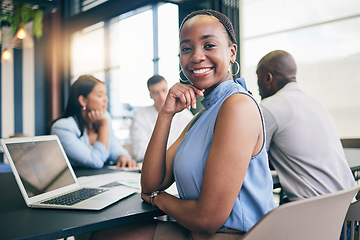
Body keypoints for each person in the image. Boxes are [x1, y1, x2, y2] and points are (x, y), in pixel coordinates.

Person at [90, 9, 275, 239]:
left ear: (231, 52)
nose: (196, 56)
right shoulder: (202, 116)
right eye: (186, 49)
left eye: (209, 45)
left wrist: (160, 199)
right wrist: (166, 114)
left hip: (234, 236)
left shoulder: (237, 106)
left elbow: (207, 219)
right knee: (99, 234)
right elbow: (150, 184)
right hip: (197, 233)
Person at [256, 50, 356, 203]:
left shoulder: (269, 106)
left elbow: (253, 157)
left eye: (258, 78)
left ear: (268, 78)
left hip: (317, 214)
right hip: (348, 212)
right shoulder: (316, 104)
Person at [51, 75, 137, 169]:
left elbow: (113, 146)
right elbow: (96, 161)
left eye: (105, 95)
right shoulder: (62, 128)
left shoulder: (104, 117)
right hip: (78, 180)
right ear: (83, 100)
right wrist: (103, 126)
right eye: (100, 95)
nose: (106, 100)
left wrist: (122, 156)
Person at [130, 75, 193, 162]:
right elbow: (140, 153)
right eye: (156, 92)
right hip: (151, 165)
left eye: (164, 90)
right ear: (150, 95)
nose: (161, 96)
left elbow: (191, 147)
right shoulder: (140, 116)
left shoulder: (185, 115)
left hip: (179, 163)